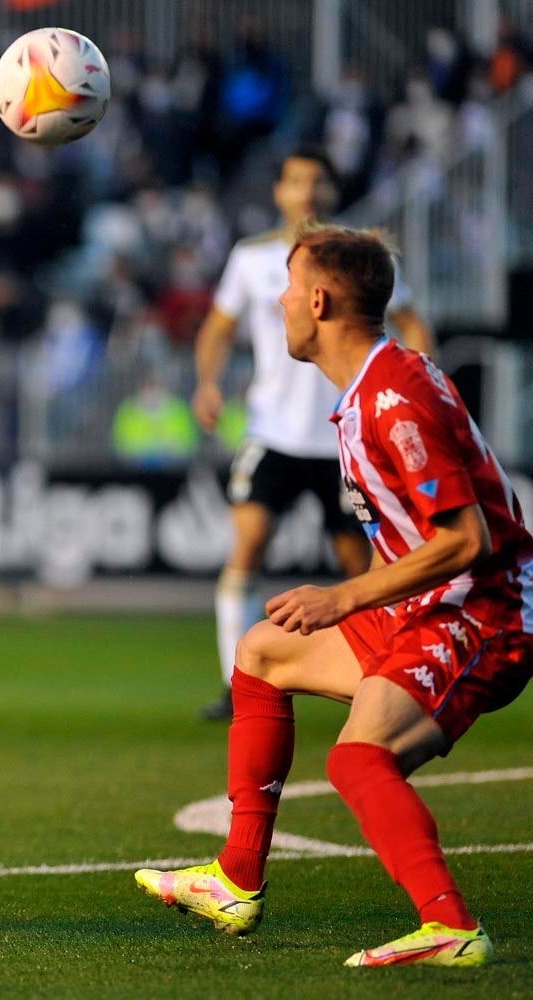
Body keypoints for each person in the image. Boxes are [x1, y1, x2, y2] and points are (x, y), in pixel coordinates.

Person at [136, 223, 533, 967]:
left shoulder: (394, 397)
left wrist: (344, 597)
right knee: (260, 652)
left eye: (287, 289)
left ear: (317, 301)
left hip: (482, 616)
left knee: (358, 760)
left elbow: (466, 541)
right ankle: (235, 878)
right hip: (425, 607)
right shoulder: (371, 387)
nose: (279, 303)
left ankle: (450, 925)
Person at [191, 146, 434, 721]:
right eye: (296, 181)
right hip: (270, 432)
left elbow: (413, 321)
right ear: (279, 191)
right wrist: (207, 382)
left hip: (343, 439)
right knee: (247, 544)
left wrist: (418, 387)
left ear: (330, 192)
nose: (307, 193)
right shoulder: (251, 259)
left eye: (317, 183)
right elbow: (217, 328)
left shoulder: (354, 258)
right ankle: (236, 683)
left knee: (362, 565)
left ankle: (384, 673)